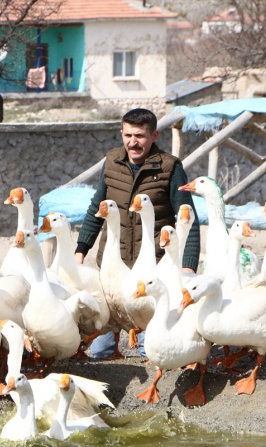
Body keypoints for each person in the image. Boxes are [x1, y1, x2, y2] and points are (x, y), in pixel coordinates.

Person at [74, 108, 200, 357]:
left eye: (140, 136)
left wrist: (188, 266)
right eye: (128, 135)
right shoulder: (112, 162)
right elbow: (95, 208)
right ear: (121, 133)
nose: (133, 142)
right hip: (114, 265)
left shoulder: (170, 168)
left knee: (150, 350)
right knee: (100, 351)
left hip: (151, 266)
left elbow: (188, 216)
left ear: (154, 135)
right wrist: (81, 249)